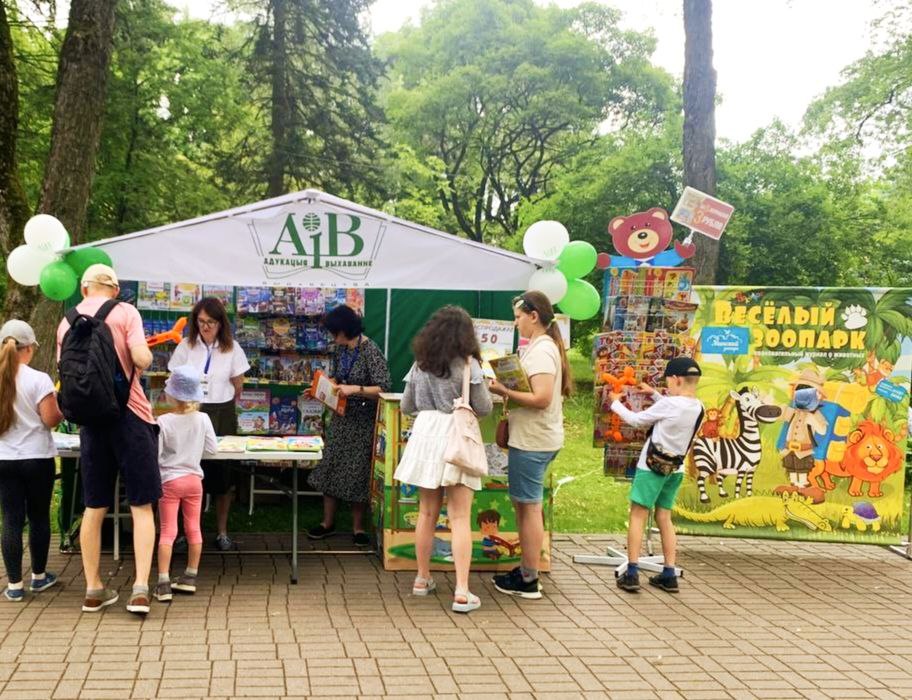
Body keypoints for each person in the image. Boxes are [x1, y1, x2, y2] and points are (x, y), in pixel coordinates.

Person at [56, 264, 161, 615]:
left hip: (90, 420)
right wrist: (143, 357)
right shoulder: (126, 312)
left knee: (94, 505)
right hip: (130, 414)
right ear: (114, 289)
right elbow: (141, 357)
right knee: (141, 504)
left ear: (85, 289)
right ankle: (141, 589)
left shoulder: (65, 322)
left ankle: (93, 588)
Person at [394, 306, 493, 613]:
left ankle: (422, 579)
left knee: (426, 513)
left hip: (426, 434)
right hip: (456, 434)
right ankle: (462, 591)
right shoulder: (469, 364)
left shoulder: (420, 363)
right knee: (460, 516)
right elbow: (484, 406)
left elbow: (407, 405)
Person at [488, 291, 571, 599]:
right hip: (534, 438)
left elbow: (541, 398)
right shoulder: (540, 347)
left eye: (518, 317)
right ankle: (527, 570)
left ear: (533, 316)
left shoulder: (541, 351)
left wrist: (501, 389)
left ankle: (528, 578)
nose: (515, 323)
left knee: (530, 506)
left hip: (534, 441)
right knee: (525, 505)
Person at [609, 357, 704, 594]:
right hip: (675, 469)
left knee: (638, 515)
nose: (667, 386)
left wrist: (614, 403)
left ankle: (631, 572)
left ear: (677, 379)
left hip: (651, 467)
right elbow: (674, 410)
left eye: (668, 381)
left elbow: (637, 421)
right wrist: (654, 393)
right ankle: (669, 573)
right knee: (664, 517)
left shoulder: (670, 405)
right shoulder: (698, 407)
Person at [168, 297, 249, 551]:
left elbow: (239, 384)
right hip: (191, 411)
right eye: (201, 322)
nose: (205, 327)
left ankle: (222, 531)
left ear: (221, 323)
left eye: (211, 323)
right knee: (188, 471)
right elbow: (174, 379)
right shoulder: (185, 346)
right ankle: (187, 533)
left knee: (223, 473)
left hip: (222, 411)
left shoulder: (232, 347)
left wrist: (224, 398)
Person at [307, 305, 390, 545]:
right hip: (341, 417)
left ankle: (358, 528)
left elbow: (384, 387)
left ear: (345, 329)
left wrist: (356, 389)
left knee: (358, 471)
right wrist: (321, 388)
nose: (333, 338)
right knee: (332, 466)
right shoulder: (341, 350)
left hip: (362, 421)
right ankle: (327, 523)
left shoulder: (370, 350)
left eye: (335, 332)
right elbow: (338, 380)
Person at [0, 320, 64, 602]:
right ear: (29, 348)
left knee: (11, 519)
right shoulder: (39, 379)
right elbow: (50, 419)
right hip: (37, 457)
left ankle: (14, 584)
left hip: (4, 458)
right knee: (38, 517)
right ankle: (39, 577)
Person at [154, 365, 217, 603]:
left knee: (168, 531)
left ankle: (162, 582)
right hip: (194, 481)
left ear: (172, 395)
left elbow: (157, 456)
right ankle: (190, 576)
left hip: (170, 481)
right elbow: (212, 448)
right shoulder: (203, 419)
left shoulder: (163, 421)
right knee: (194, 529)